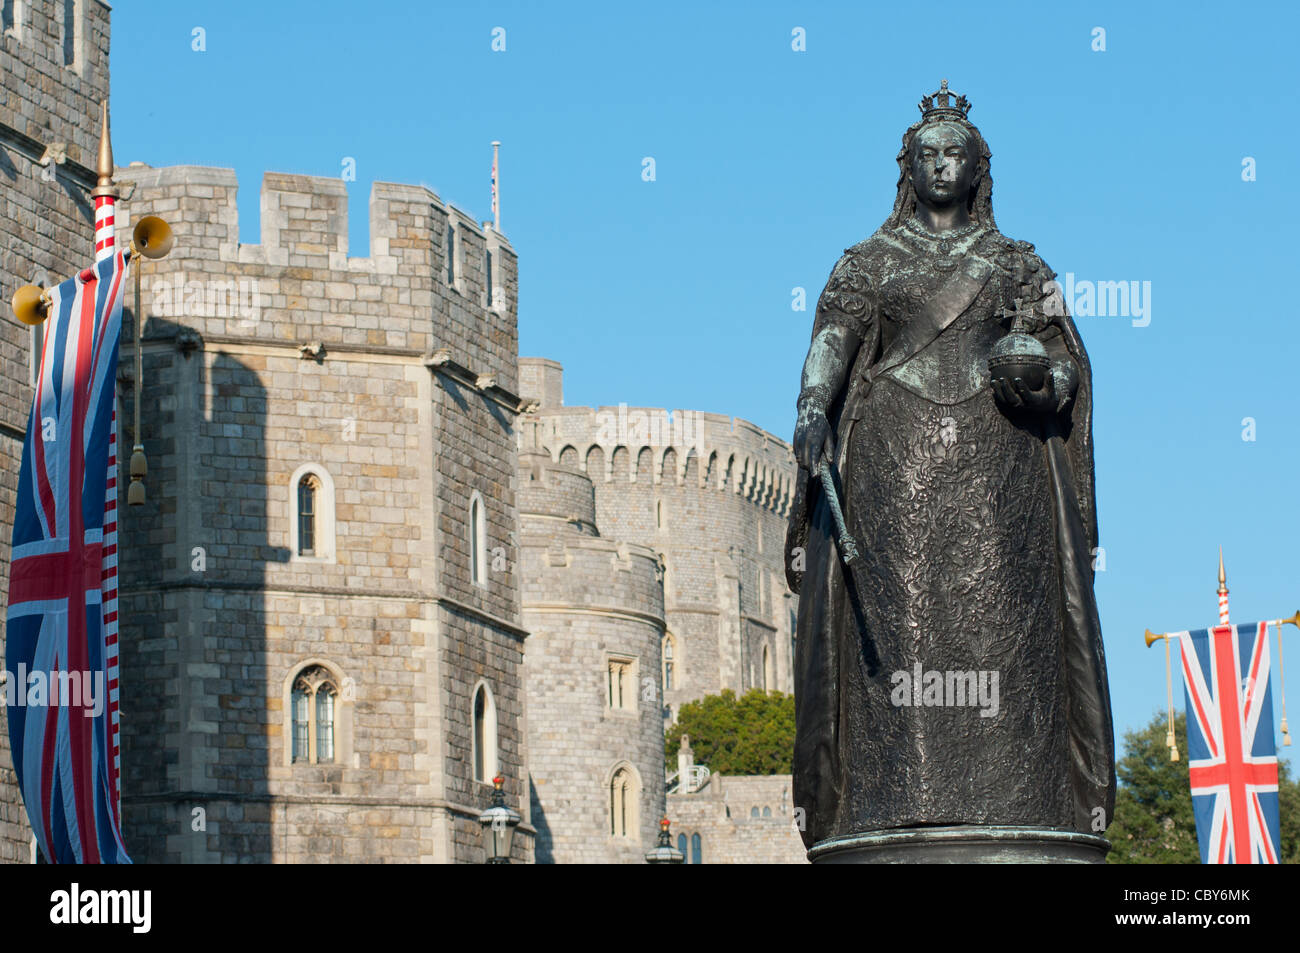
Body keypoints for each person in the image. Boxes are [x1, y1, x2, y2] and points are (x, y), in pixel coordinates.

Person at [785, 82, 1114, 850]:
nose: (941, 165)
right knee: (900, 630)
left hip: (1000, 469)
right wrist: (810, 404)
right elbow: (833, 341)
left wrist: (1041, 378)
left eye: (955, 154)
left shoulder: (1014, 264)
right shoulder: (868, 261)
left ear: (977, 169)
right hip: (892, 465)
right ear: (909, 166)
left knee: (1007, 626)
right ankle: (891, 807)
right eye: (928, 154)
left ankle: (1023, 803)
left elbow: (1067, 369)